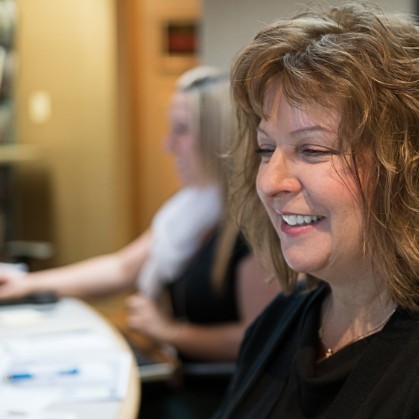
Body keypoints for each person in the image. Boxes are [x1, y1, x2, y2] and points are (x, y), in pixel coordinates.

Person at [0, 66, 278, 417]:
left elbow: (258, 337)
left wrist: (170, 331)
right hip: (185, 379)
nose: (168, 144)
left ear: (218, 138)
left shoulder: (252, 225)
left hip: (225, 395)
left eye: (181, 130)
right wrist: (27, 284)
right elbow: (121, 267)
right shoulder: (192, 209)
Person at [213, 3, 419, 418]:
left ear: (405, 171)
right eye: (266, 149)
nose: (271, 182)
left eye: (313, 150)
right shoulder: (277, 324)